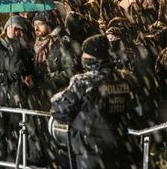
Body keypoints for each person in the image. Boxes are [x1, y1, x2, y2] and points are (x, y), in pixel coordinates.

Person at [51, 34, 141, 169]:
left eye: (85, 55)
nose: (82, 58)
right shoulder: (127, 79)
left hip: (90, 153)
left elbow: (60, 111)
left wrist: (57, 98)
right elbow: (137, 112)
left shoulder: (83, 81)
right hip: (120, 150)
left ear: (93, 58)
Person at [0, 15, 34, 160]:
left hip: (16, 98)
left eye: (20, 29)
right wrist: (8, 76)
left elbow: (28, 70)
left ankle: (18, 161)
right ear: (6, 28)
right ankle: (1, 162)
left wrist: (26, 75)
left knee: (17, 134)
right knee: (0, 135)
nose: (16, 31)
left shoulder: (24, 49)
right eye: (14, 27)